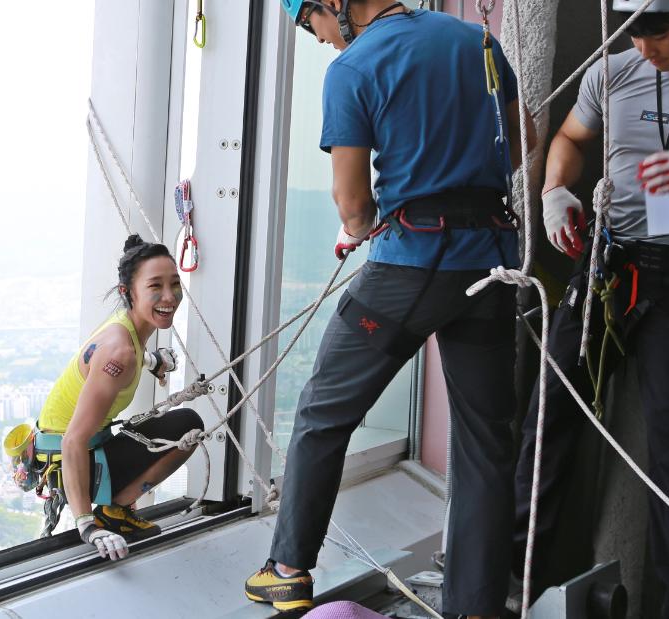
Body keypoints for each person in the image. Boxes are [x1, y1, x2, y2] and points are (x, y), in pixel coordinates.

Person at [244, 0, 534, 616]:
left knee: (324, 412)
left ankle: (288, 569)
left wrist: (363, 225)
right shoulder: (476, 41)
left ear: (333, 5)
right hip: (489, 263)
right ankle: (475, 605)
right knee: (485, 439)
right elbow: (516, 146)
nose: (320, 40)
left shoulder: (354, 68)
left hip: (410, 269)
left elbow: (352, 203)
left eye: (311, 24)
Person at [512, 1, 669, 615]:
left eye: (661, 34)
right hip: (607, 267)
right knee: (551, 412)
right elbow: (568, 136)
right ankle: (514, 574)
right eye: (636, 35)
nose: (648, 49)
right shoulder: (612, 71)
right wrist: (555, 190)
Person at [31, 233, 204, 562]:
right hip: (69, 459)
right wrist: (87, 527)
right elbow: (73, 441)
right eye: (155, 286)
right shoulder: (121, 351)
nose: (169, 296)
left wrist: (153, 361)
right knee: (188, 426)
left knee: (182, 423)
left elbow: (112, 359)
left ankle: (115, 509)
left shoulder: (126, 329)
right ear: (129, 293)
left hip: (66, 448)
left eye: (175, 284)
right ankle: (113, 513)